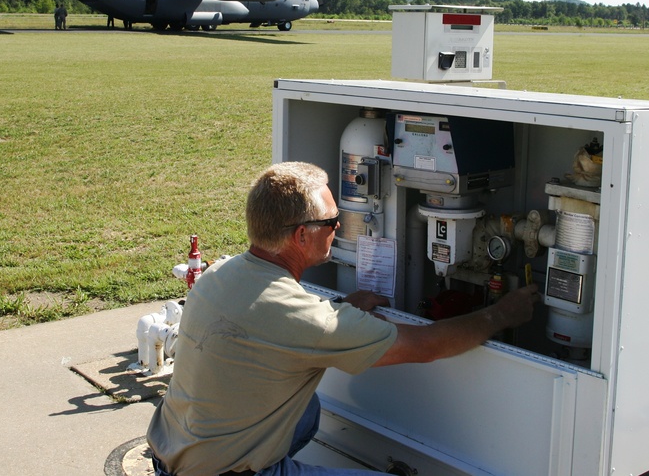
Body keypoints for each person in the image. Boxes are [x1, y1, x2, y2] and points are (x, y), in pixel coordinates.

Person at [146, 161, 540, 476]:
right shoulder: (302, 319)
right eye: (332, 222)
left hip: (173, 453)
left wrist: (342, 308)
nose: (338, 229)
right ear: (301, 236)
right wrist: (501, 314)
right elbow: (427, 345)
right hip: (220, 472)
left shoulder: (223, 273)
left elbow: (281, 320)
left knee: (308, 410)